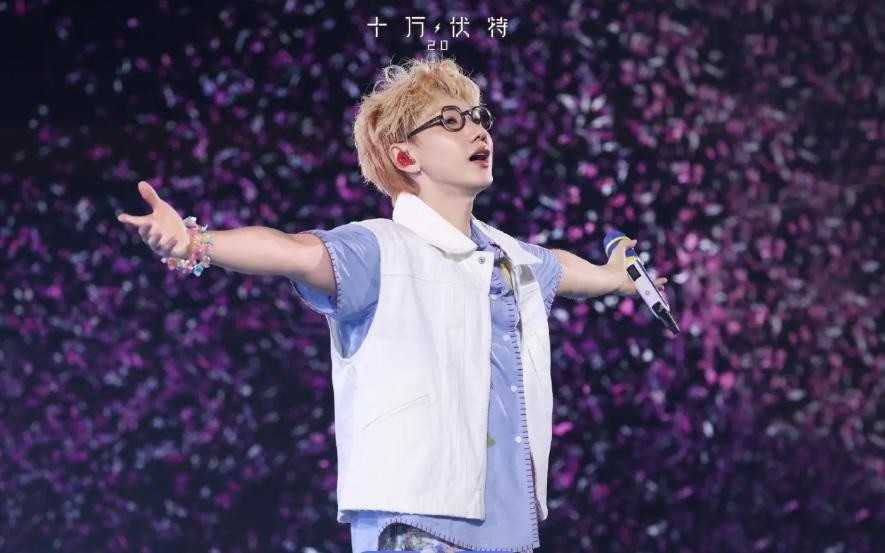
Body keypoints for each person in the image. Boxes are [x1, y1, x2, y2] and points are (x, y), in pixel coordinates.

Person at [117, 55, 667, 553]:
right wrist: (196, 243)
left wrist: (615, 277)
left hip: (507, 526)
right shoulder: (379, 247)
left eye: (478, 117)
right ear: (405, 155)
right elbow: (292, 251)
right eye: (451, 120)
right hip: (418, 525)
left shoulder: (508, 256)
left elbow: (562, 268)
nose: (478, 129)